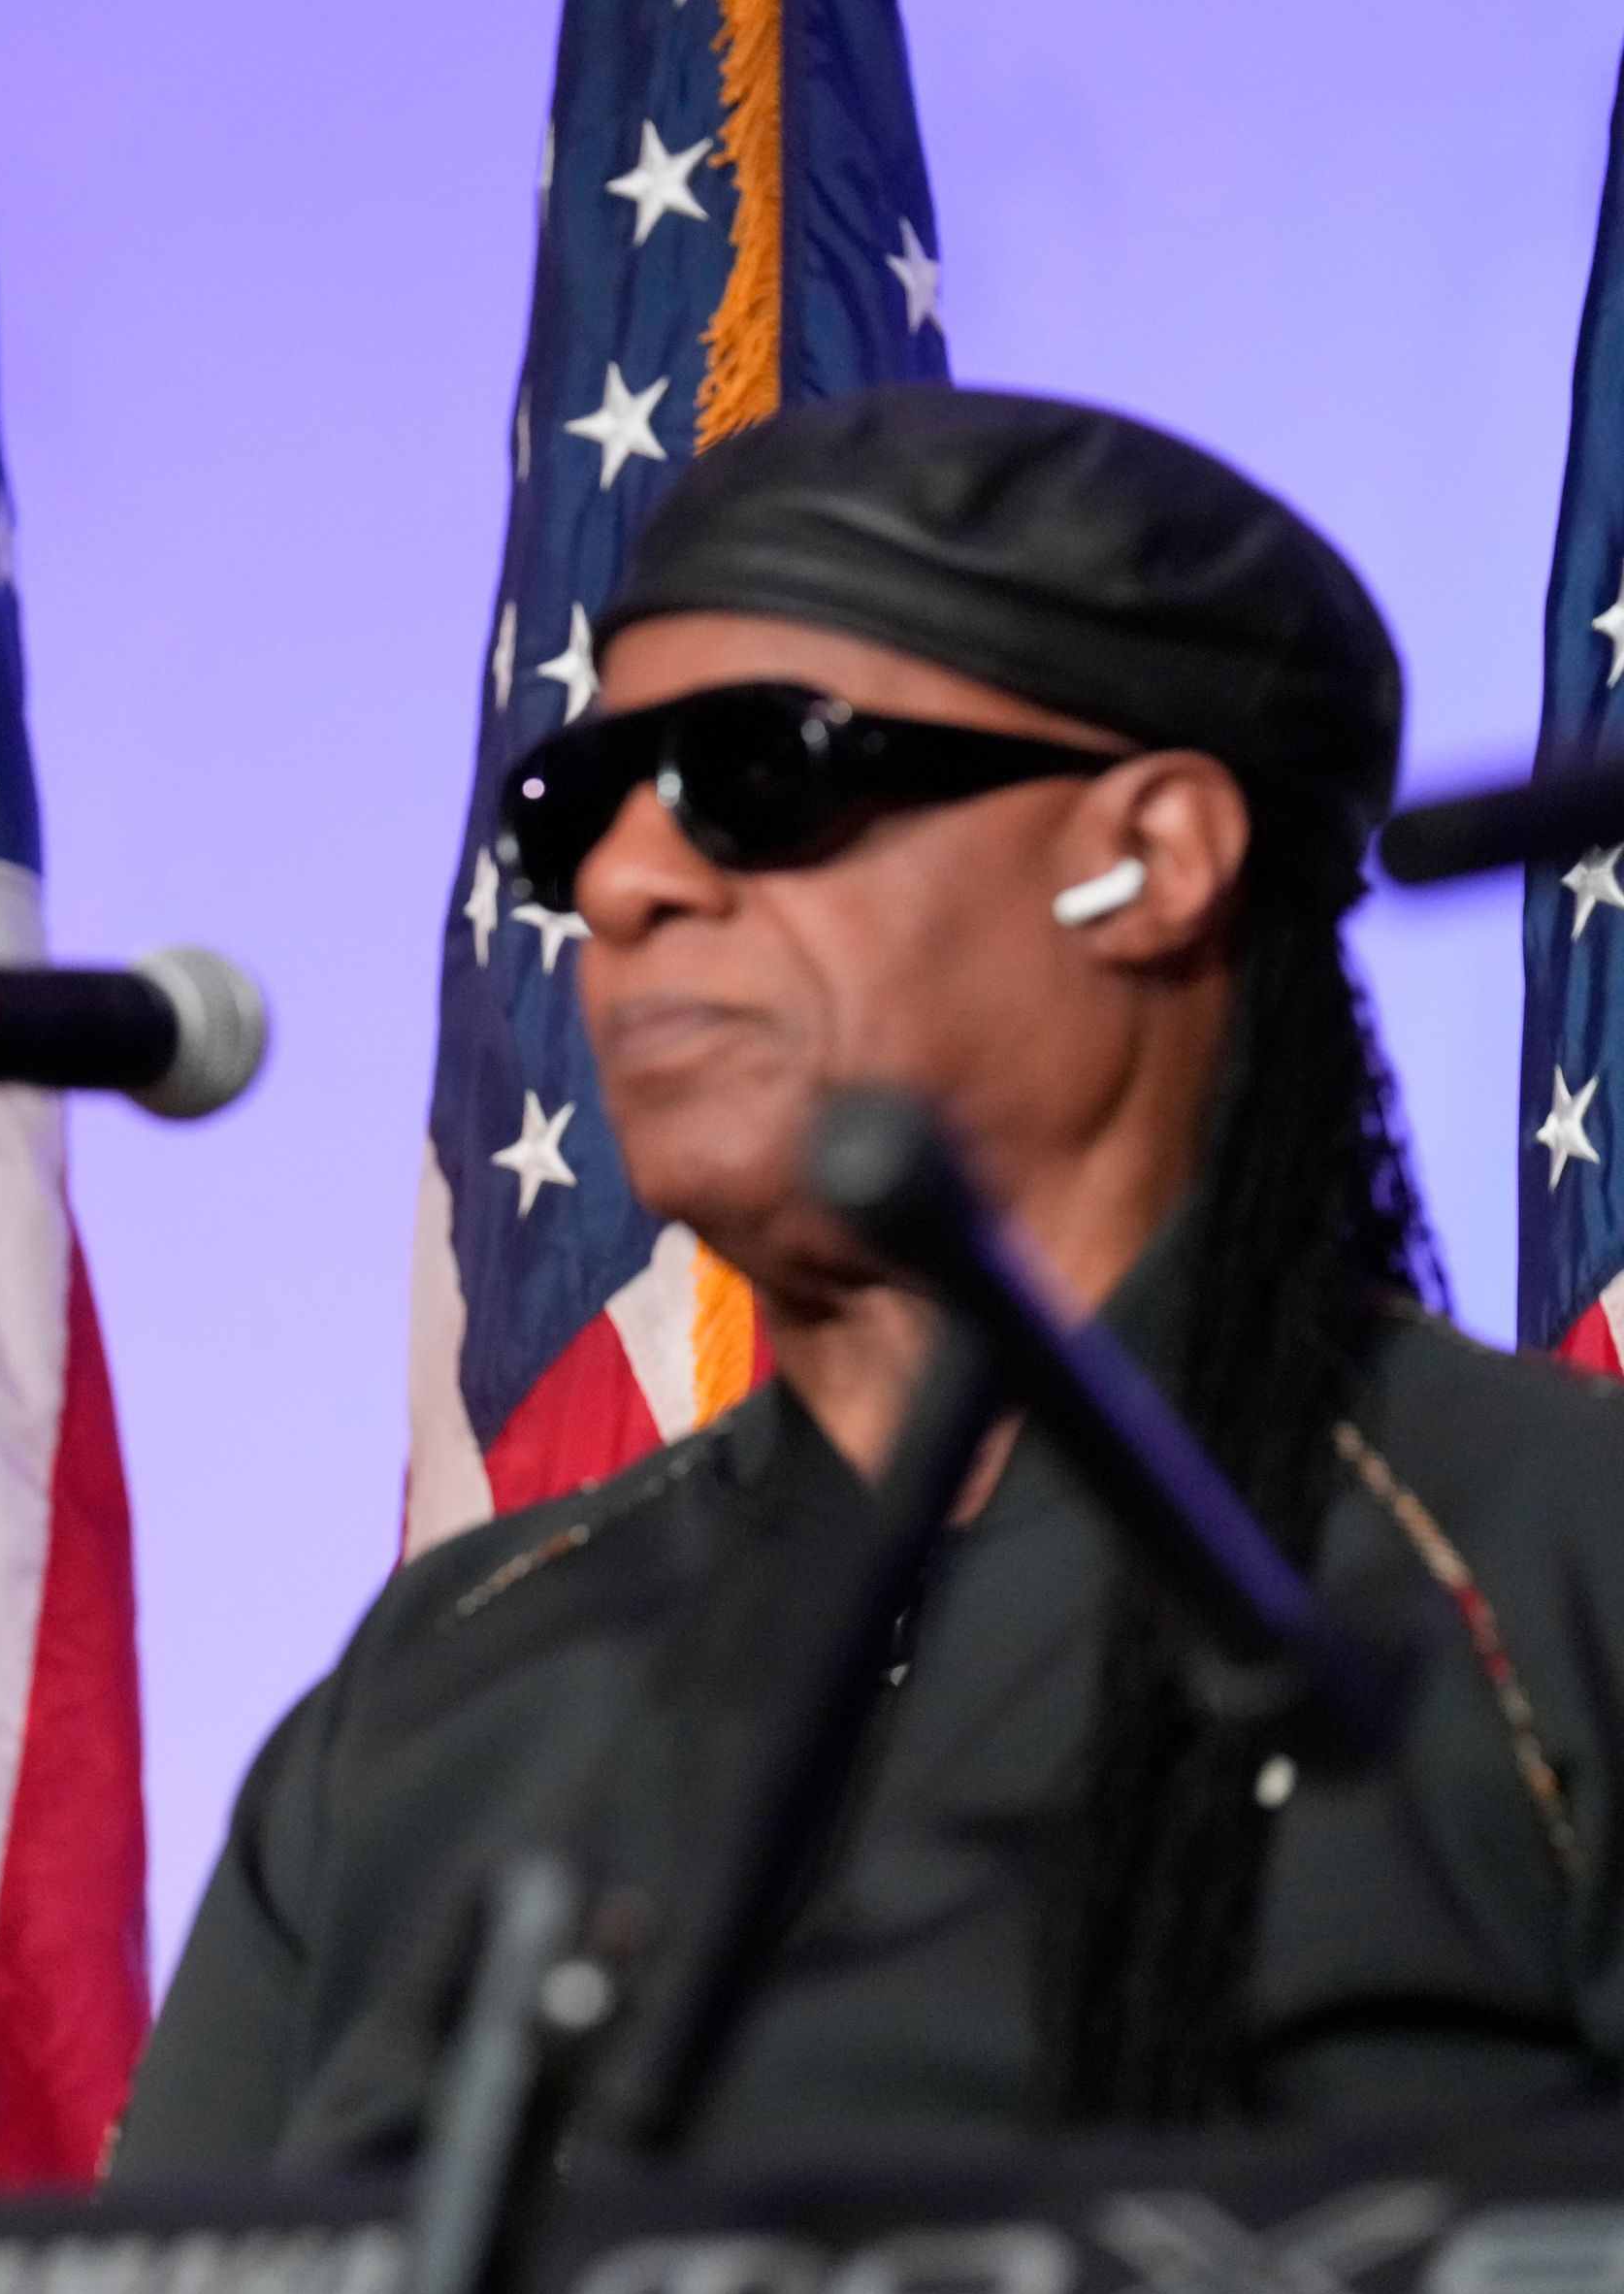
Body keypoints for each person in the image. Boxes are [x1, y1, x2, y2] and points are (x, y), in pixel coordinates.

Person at [114, 385, 1624, 2181]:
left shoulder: (1553, 1569)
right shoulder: (448, 1683)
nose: (622, 879)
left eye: (761, 773)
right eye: (576, 803)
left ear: (1148, 858)